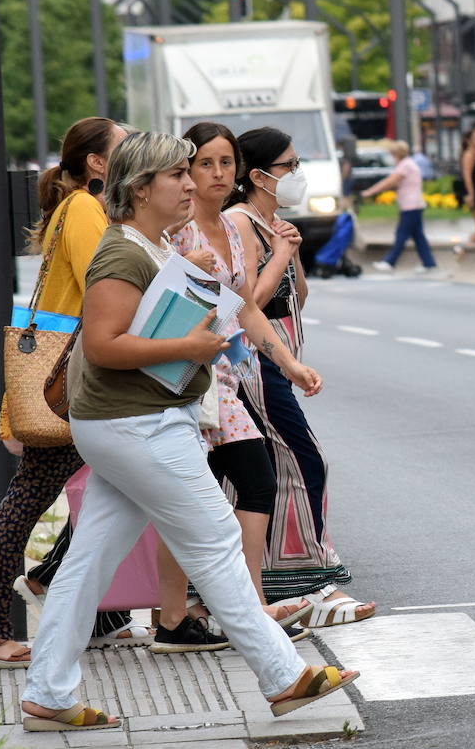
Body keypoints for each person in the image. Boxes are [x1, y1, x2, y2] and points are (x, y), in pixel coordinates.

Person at [19, 131, 356, 733]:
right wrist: (191, 345)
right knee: (217, 540)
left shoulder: (149, 244)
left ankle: (48, 694)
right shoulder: (122, 253)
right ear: (141, 187)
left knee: (88, 563)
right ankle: (282, 676)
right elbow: (101, 344)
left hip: (131, 422)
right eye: (177, 174)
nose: (191, 182)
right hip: (138, 424)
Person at [0, 118, 138, 671]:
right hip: (71, 380)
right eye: (125, 146)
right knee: (28, 502)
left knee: (121, 487)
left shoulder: (83, 207)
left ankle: (92, 611)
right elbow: (104, 282)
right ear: (97, 163)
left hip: (75, 376)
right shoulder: (86, 209)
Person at [153, 123, 318, 651]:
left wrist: (288, 363)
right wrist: (181, 268)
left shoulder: (229, 227)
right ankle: (175, 616)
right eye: (206, 164)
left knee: (255, 482)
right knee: (191, 501)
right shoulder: (176, 231)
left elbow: (247, 309)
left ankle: (239, 605)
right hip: (182, 383)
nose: (218, 174)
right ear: (186, 171)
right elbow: (149, 301)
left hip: (224, 381)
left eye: (226, 163)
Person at [226, 129, 377, 626]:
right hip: (252, 358)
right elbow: (249, 301)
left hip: (276, 353)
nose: (298, 173)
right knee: (302, 458)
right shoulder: (240, 221)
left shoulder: (273, 222)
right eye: (289, 165)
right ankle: (311, 582)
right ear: (259, 175)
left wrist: (290, 251)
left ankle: (268, 580)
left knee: (267, 469)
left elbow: (296, 298)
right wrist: (284, 253)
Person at [364, 140, 437, 274]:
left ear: (397, 153)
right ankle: (429, 262)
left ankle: (390, 261)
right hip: (413, 204)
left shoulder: (405, 166)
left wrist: (370, 192)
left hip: (411, 205)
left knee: (401, 234)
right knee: (418, 236)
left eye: (392, 154)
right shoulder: (407, 164)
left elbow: (389, 182)